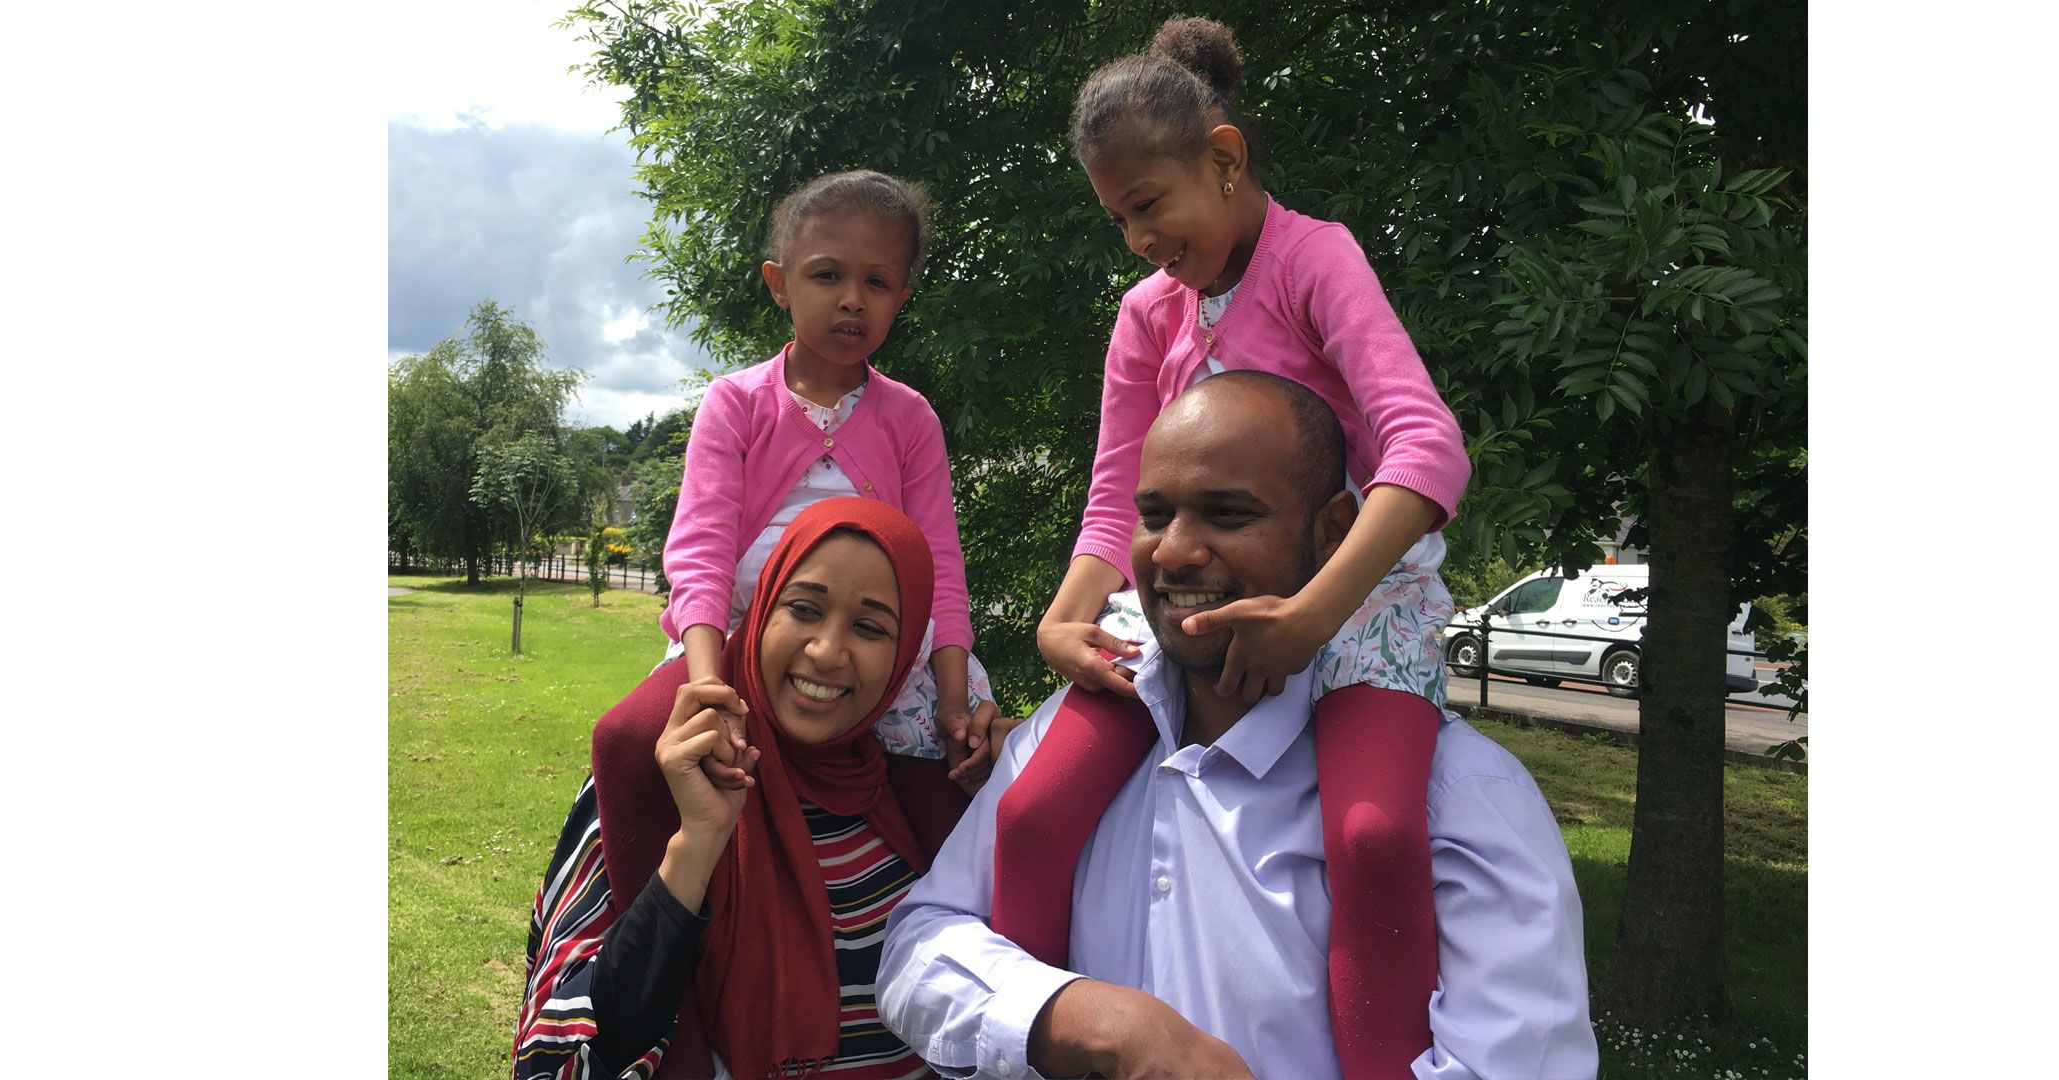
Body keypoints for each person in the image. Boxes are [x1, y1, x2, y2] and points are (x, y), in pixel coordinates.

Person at [878, 373, 1595, 1079]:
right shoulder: (1061, 741)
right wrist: (1086, 1021)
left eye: (1228, 515)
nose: (1174, 551)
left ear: (1335, 534)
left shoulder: (1463, 801)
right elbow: (918, 944)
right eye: (1155, 516)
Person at [1022, 17, 1472, 1072]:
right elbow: (1113, 497)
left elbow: (1427, 445)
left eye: (1149, 206)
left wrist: (1313, 618)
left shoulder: (1316, 257)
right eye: (1116, 217)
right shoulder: (1145, 316)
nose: (1137, 237)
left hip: (1355, 597)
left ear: (1223, 161)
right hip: (1186, 603)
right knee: (1036, 810)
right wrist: (1065, 614)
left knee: (1373, 840)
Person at [517, 498, 971, 1079]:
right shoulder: (668, 769)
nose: (827, 651)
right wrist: (697, 844)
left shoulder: (915, 782)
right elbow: (572, 1052)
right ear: (760, 610)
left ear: (905, 655)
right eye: (804, 609)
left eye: (869, 626)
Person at [657, 169, 1002, 792]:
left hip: (876, 661)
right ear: (779, 284)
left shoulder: (910, 419)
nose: (852, 298)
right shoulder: (736, 404)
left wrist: (953, 700)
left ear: (901, 298)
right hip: (737, 644)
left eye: (877, 282)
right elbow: (700, 552)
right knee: (633, 740)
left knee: (943, 776)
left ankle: (920, 889)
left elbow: (939, 566)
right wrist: (707, 684)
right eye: (826, 275)